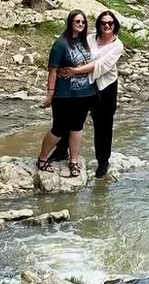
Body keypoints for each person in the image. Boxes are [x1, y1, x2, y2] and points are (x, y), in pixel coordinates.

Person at [36, 10, 96, 178]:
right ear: (70, 23)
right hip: (64, 94)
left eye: (83, 22)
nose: (80, 24)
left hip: (84, 93)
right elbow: (53, 71)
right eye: (77, 21)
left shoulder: (85, 43)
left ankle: (74, 161)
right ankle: (42, 159)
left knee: (77, 127)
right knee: (59, 128)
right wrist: (50, 95)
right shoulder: (60, 45)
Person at [82, 10, 125, 178]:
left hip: (106, 87)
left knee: (103, 125)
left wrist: (76, 70)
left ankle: (103, 161)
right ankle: (63, 151)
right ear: (99, 24)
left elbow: (102, 65)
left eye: (110, 23)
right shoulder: (90, 39)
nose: (107, 25)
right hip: (85, 83)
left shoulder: (117, 45)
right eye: (103, 23)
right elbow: (80, 55)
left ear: (115, 25)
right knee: (74, 118)